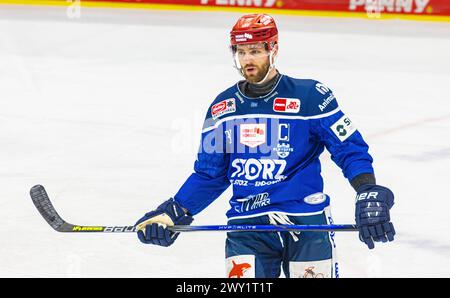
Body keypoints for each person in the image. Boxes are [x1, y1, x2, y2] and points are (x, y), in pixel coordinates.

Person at [135, 13, 395, 278]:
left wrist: (367, 189)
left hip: (306, 223)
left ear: (274, 49)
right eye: (241, 51)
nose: (247, 59)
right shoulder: (222, 108)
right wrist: (173, 212)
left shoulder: (309, 96)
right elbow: (209, 174)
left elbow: (348, 148)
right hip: (247, 228)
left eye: (256, 51)